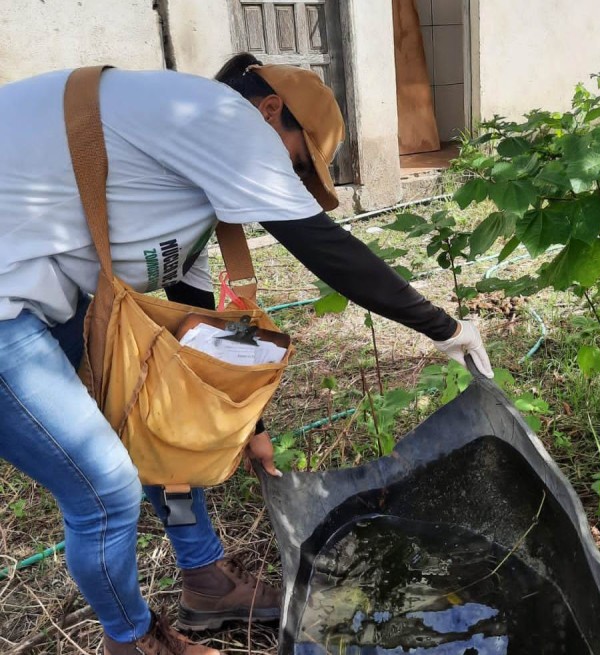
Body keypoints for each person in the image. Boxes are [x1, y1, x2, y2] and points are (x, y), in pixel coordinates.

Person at [0, 53, 493, 655]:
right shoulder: (219, 117)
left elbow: (198, 341)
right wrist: (442, 328)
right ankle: (131, 642)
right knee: (102, 489)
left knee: (172, 426)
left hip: (39, 289)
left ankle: (206, 582)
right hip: (9, 313)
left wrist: (244, 423)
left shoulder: (178, 173)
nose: (288, 179)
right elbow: (324, 248)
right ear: (268, 111)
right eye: (296, 161)